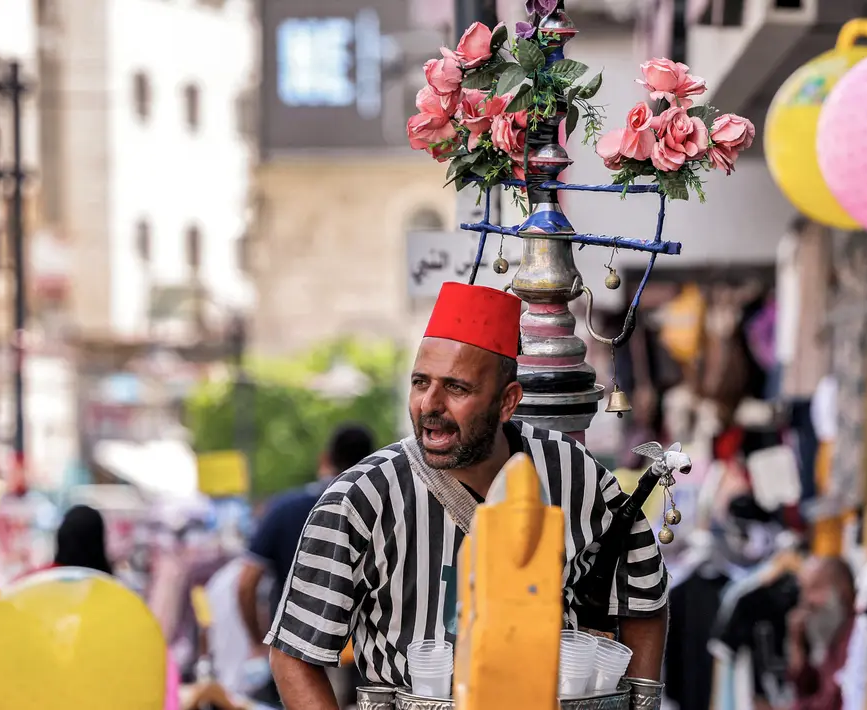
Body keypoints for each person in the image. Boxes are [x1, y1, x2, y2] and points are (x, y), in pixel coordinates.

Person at [266, 282, 669, 709]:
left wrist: (640, 702)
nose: (429, 404)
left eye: (456, 388)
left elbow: (643, 596)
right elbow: (295, 654)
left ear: (507, 402)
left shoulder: (575, 475)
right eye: (420, 383)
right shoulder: (359, 499)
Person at [239, 424, 375, 705]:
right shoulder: (381, 511)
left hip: (295, 653)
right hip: (359, 658)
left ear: (325, 459)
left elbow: (246, 582)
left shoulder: (285, 509)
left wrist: (257, 639)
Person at [787, 556, 856, 710]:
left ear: (842, 589)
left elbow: (832, 703)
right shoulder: (834, 637)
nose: (806, 601)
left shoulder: (854, 637)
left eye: (815, 588)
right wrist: (796, 643)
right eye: (803, 590)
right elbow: (805, 688)